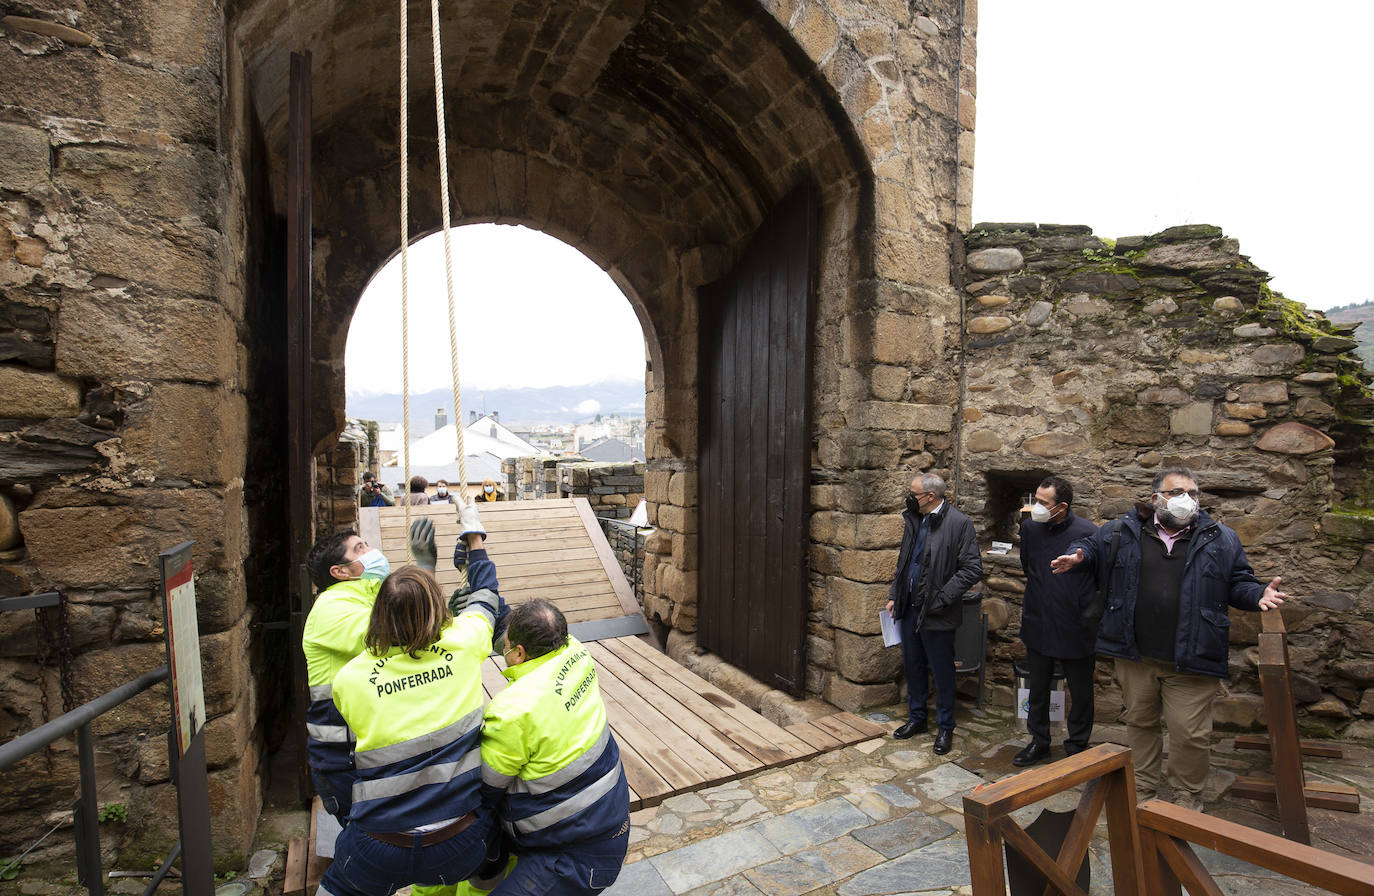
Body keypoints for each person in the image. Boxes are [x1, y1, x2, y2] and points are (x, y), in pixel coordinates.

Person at [1052, 467, 1286, 810]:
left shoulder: (1221, 538)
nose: (1186, 500)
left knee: (1189, 733)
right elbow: (1089, 546)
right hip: (1135, 653)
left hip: (1192, 653)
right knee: (1140, 723)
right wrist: (1078, 556)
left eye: (1193, 493)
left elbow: (1238, 582)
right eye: (1177, 492)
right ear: (1155, 498)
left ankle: (1186, 793)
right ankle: (1142, 785)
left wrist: (1258, 595)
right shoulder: (1122, 531)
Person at [318, 505, 506, 896]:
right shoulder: (464, 642)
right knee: (500, 848)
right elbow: (486, 597)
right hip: (460, 840)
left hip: (380, 842)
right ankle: (489, 872)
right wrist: (474, 541)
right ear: (439, 612)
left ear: (379, 617)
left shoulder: (351, 679)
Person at [480, 599, 631, 895]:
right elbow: (518, 624)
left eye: (508, 646)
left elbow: (485, 788)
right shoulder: (575, 650)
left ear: (520, 653)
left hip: (575, 856)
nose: (504, 649)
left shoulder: (514, 711)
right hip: (607, 822)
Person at [886, 473, 983, 755]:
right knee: (913, 665)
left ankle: (945, 728)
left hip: (937, 612)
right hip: (909, 607)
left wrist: (942, 598)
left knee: (942, 673)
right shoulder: (915, 518)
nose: (909, 498)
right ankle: (917, 719)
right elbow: (904, 561)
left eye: (913, 493)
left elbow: (971, 569)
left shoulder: (960, 524)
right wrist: (895, 594)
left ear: (930, 497)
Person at [302, 530, 390, 822]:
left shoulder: (368, 599)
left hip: (365, 749)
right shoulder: (330, 608)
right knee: (364, 840)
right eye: (360, 548)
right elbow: (390, 637)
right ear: (339, 571)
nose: (371, 550)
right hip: (342, 761)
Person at [1012, 475, 1100, 767]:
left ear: (1061, 506)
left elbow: (1095, 573)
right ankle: (1038, 741)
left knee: (1081, 690)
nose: (1035, 507)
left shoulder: (1087, 531)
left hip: (1075, 624)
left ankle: (1077, 744)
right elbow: (1029, 567)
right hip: (1039, 619)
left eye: (1042, 502)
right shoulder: (1030, 530)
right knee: (1037, 688)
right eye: (1035, 499)